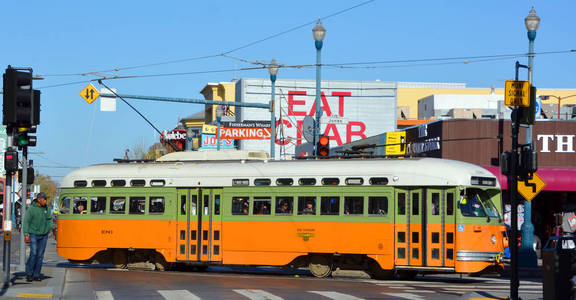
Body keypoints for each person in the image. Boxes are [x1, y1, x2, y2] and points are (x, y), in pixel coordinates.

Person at [23, 192, 54, 282]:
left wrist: (49, 229)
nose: (45, 201)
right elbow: (26, 222)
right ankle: (29, 273)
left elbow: (49, 219)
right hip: (33, 234)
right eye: (44, 199)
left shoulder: (46, 209)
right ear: (39, 199)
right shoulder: (31, 209)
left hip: (44, 235)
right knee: (34, 254)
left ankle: (36, 274)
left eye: (45, 199)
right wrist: (26, 234)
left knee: (40, 255)